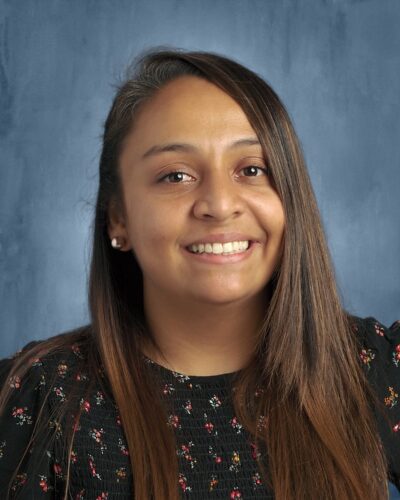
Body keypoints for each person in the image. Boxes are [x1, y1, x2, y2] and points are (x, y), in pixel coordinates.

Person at [0, 47, 398, 500]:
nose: (220, 204)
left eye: (252, 169)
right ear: (118, 218)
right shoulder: (41, 398)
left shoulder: (371, 369)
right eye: (176, 176)